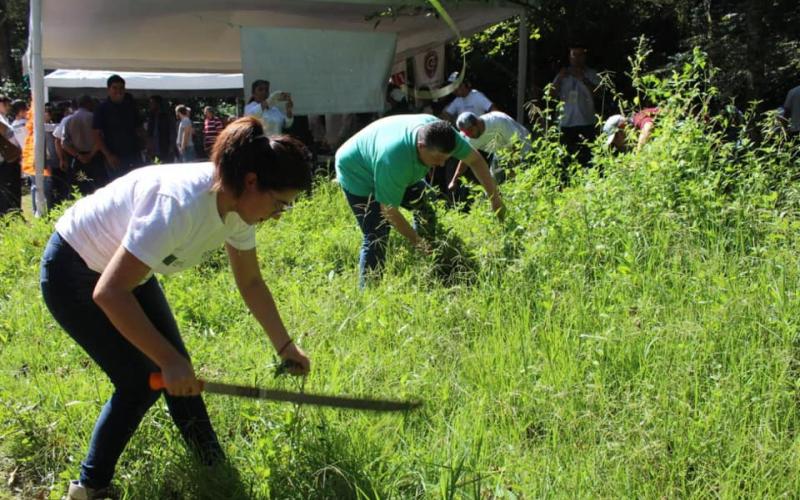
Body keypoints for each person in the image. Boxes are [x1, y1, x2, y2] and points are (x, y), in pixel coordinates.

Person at [40, 116, 312, 500]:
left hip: (126, 270)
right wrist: (166, 360)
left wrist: (286, 347)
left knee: (178, 369)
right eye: (280, 203)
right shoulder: (180, 205)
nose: (280, 213)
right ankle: (89, 488)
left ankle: (214, 470)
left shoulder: (238, 206)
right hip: (74, 270)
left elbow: (250, 282)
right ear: (252, 182)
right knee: (140, 382)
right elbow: (110, 293)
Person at [335, 114, 505, 287]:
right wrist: (417, 242)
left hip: (393, 163)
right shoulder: (395, 161)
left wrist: (495, 199)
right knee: (376, 234)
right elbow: (388, 210)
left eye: (445, 159)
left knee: (425, 211)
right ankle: (369, 292)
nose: (440, 165)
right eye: (436, 159)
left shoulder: (444, 135)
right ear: (421, 146)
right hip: (357, 171)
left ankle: (429, 261)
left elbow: (475, 160)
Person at [449, 111, 532, 187]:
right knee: (492, 185)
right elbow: (465, 158)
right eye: (466, 133)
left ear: (477, 123)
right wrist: (454, 180)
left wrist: (513, 168)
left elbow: (516, 143)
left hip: (522, 147)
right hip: (501, 153)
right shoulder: (468, 137)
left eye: (470, 131)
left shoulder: (497, 122)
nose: (469, 135)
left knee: (522, 180)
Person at [551, 45, 600, 169]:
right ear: (569, 57)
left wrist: (582, 79)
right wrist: (559, 79)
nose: (577, 58)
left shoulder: (591, 73)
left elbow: (598, 93)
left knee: (588, 157)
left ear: (584, 57)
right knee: (566, 158)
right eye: (574, 55)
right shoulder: (562, 74)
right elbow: (550, 95)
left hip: (586, 122)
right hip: (566, 123)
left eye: (580, 55)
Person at [93, 74, 145, 180]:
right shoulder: (101, 109)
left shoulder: (131, 107)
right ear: (108, 89)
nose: (118, 91)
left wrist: (147, 141)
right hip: (114, 156)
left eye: (121, 88)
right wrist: (108, 155)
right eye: (115, 88)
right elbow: (96, 135)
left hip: (134, 154)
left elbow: (139, 128)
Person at [61, 95, 108, 196]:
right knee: (98, 188)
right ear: (88, 104)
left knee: (81, 187)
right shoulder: (94, 118)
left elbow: (64, 143)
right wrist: (91, 155)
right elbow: (100, 138)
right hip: (95, 158)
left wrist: (78, 155)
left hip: (78, 159)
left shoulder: (69, 120)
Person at [0, 95, 22, 216]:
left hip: (9, 159)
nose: (8, 107)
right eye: (6, 104)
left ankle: (11, 213)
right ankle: (9, 215)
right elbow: (4, 131)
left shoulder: (4, 117)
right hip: (6, 161)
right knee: (8, 191)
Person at [146, 95, 176, 164]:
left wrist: (172, 146)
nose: (150, 105)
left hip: (164, 147)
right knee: (156, 164)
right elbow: (149, 133)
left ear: (157, 104)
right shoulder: (151, 116)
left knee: (165, 166)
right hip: (154, 149)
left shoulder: (167, 116)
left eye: (152, 103)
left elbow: (172, 131)